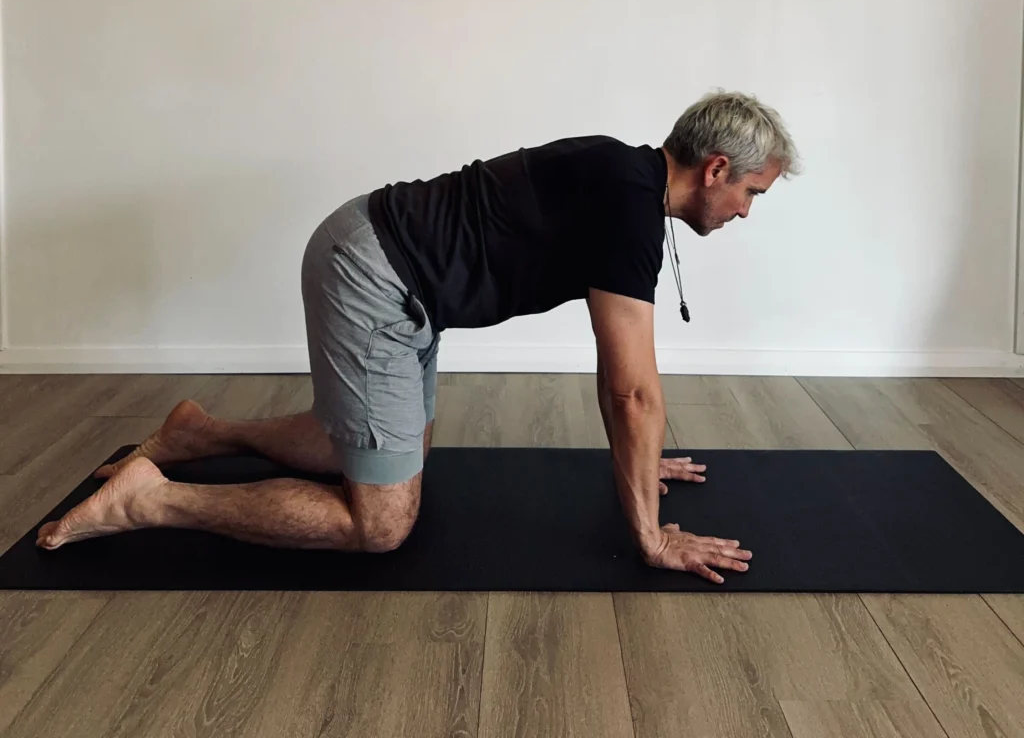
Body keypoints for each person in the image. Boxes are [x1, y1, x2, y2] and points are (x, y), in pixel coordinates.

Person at [38, 90, 799, 584]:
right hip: (376, 276)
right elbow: (630, 391)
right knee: (381, 523)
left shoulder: (623, 178)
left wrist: (638, 464)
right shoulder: (628, 205)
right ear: (717, 168)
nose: (745, 213)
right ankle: (153, 501)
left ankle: (199, 435)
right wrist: (651, 534)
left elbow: (627, 390)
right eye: (750, 195)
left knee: (397, 451)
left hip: (388, 265)